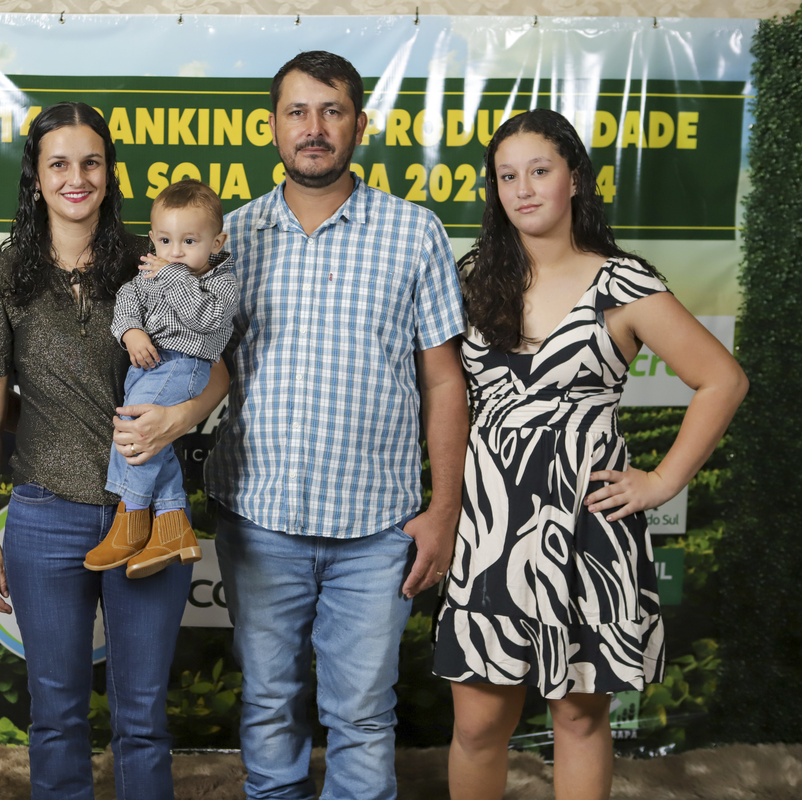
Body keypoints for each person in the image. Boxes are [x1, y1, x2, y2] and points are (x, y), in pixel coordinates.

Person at [431, 108, 748, 800]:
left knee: (578, 717)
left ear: (574, 178)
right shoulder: (470, 278)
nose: (523, 189)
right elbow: (437, 390)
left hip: (588, 532)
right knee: (479, 723)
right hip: (491, 528)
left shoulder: (623, 283)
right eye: (507, 176)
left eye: (539, 171)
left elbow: (723, 379)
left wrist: (661, 480)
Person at [205, 51, 470, 800]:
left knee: (362, 713)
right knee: (268, 702)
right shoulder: (228, 238)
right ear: (272, 126)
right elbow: (200, 366)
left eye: (331, 111)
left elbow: (444, 380)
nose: (313, 128)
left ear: (360, 123)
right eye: (297, 112)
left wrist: (444, 508)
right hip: (259, 519)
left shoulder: (415, 233)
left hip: (378, 529)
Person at [0, 102, 229, 800]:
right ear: (36, 177)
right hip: (43, 514)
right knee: (55, 717)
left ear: (110, 173)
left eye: (91, 162)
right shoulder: (2, 277)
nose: (76, 178)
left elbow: (217, 370)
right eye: (59, 164)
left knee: (141, 717)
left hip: (146, 515)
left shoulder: (158, 260)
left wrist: (178, 417)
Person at [85, 178, 237, 578]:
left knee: (133, 432)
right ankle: (172, 526)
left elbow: (203, 317)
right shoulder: (150, 272)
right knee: (157, 441)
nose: (176, 252)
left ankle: (132, 516)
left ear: (216, 243)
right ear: (152, 238)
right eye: (166, 241)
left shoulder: (221, 283)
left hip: (184, 365)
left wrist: (172, 276)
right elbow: (127, 299)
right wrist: (130, 332)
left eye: (190, 241)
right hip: (146, 367)